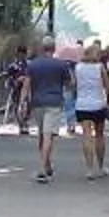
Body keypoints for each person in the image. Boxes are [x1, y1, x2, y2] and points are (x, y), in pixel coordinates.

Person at [23, 39, 75, 181]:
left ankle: (46, 165)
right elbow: (70, 83)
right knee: (48, 135)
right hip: (54, 102)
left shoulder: (33, 64)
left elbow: (26, 84)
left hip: (38, 102)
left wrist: (22, 102)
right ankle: (42, 168)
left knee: (42, 134)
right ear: (54, 48)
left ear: (42, 48)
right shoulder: (61, 65)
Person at [71, 40, 109, 176]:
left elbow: (74, 85)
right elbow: (108, 86)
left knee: (86, 135)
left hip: (82, 105)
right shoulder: (100, 67)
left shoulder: (78, 67)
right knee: (99, 136)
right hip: (98, 105)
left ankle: (89, 169)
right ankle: (100, 167)